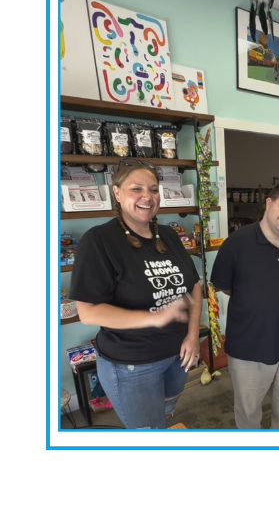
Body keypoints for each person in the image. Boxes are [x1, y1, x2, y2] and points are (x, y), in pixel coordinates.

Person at [68, 160, 202, 429]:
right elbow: (89, 312)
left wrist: (192, 334)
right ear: (117, 192)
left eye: (153, 190)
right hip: (132, 365)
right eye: (136, 189)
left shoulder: (168, 235)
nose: (147, 197)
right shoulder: (99, 241)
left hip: (178, 356)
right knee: (147, 432)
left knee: (163, 416)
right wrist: (153, 318)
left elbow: (194, 287)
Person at [210, 183, 279, 429]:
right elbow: (225, 286)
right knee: (248, 413)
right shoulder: (236, 244)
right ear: (268, 203)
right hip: (249, 349)